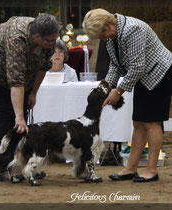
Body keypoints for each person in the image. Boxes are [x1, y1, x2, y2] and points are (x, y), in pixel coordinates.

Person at [83, 8, 172, 182]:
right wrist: (107, 85)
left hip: (160, 73)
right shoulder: (112, 36)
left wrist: (118, 91)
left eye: (101, 35)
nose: (102, 39)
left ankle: (151, 170)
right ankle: (130, 168)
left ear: (107, 25)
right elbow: (115, 65)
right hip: (144, 77)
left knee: (152, 122)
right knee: (138, 122)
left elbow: (137, 66)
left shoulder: (133, 29)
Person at [0, 13, 61, 181]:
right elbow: (16, 82)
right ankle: (3, 167)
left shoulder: (49, 40)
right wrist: (19, 117)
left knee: (21, 116)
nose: (53, 44)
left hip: (20, 73)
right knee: (2, 114)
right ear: (36, 36)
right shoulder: (17, 39)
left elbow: (43, 67)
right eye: (49, 41)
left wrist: (33, 92)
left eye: (55, 39)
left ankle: (21, 166)